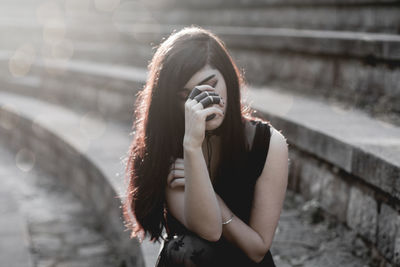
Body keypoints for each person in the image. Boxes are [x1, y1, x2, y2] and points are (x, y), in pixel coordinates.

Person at [122, 25, 289, 266]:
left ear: (228, 80)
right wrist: (191, 146)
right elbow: (209, 231)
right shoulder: (170, 143)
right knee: (188, 250)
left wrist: (218, 204)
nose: (202, 100)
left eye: (210, 84)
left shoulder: (267, 143)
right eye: (186, 95)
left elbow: (257, 249)